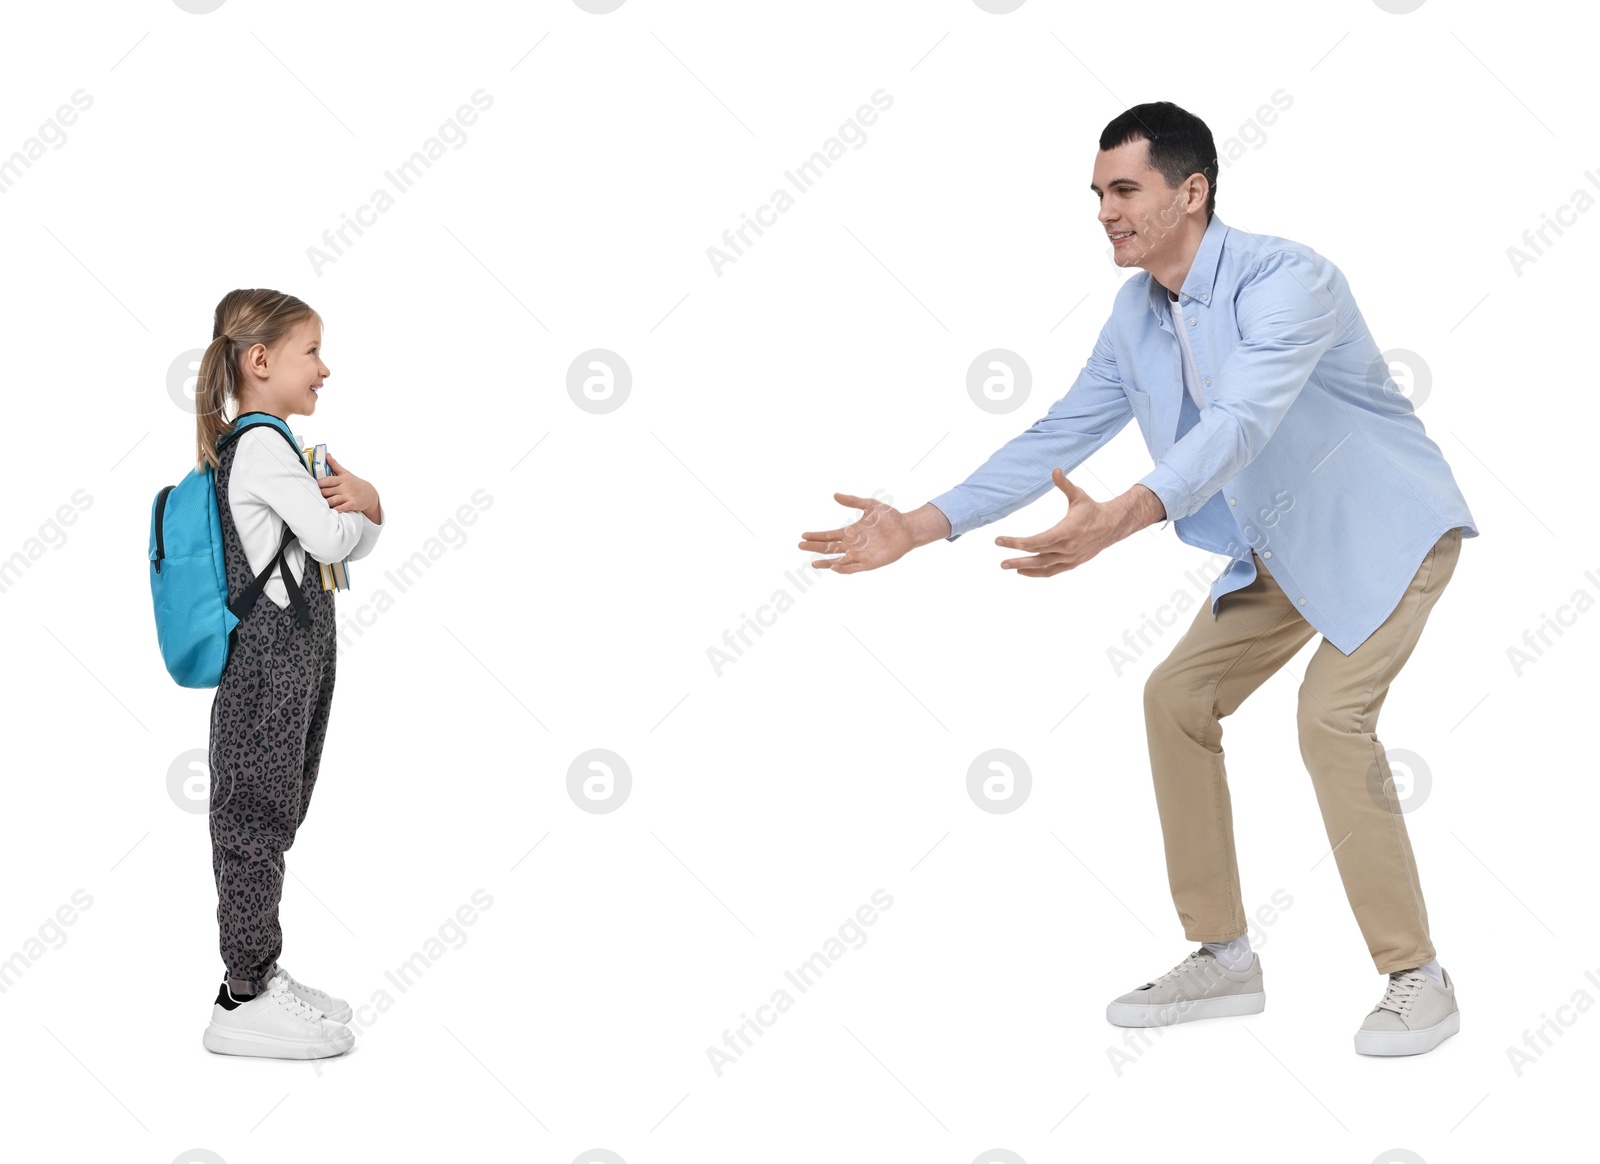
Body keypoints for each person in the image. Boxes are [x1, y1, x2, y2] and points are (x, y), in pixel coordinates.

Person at [799, 102, 1476, 1057]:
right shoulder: (1135, 314)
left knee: (1329, 721)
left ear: (1190, 191)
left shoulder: (1291, 280)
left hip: (1386, 534)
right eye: (1098, 194)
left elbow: (1241, 422)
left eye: (1125, 190)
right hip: (1276, 551)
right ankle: (1224, 956)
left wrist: (1126, 514)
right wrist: (922, 523)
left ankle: (1418, 975)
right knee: (1174, 700)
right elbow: (1060, 432)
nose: (1106, 212)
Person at [192, 289, 387, 1060]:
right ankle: (241, 996)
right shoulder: (264, 445)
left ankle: (259, 971)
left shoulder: (268, 443)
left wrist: (355, 516)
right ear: (259, 360)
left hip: (293, 657)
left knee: (276, 810)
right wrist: (373, 501)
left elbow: (325, 541)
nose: (325, 368)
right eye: (311, 352)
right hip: (269, 665)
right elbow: (336, 536)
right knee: (254, 820)